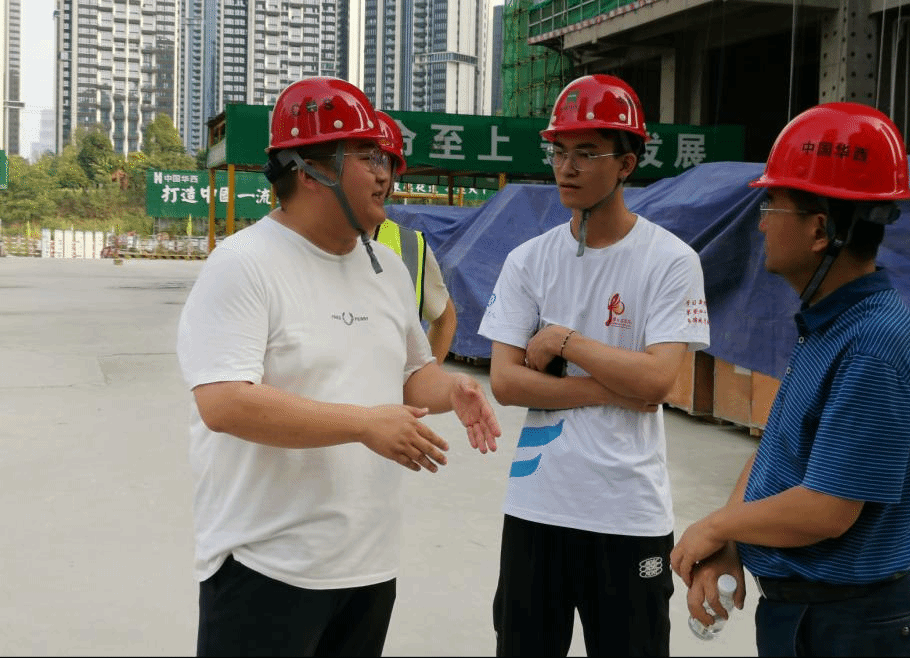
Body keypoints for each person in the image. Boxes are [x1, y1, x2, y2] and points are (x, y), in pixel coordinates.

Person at [176, 76, 501, 657]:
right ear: (309, 170)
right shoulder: (244, 264)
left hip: (368, 567)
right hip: (266, 566)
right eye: (368, 157)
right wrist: (363, 423)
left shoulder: (387, 267)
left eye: (386, 159)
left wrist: (452, 389)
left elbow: (412, 375)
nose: (385, 174)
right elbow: (223, 402)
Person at [669, 102, 910, 657]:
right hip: (809, 614)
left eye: (772, 205)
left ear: (820, 230)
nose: (762, 223)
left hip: (852, 628)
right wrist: (734, 539)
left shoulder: (872, 346)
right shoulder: (830, 324)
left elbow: (827, 509)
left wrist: (716, 527)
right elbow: (777, 453)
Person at [478, 74, 711, 656]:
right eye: (559, 152)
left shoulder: (670, 261)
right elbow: (505, 382)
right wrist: (608, 390)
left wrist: (564, 341)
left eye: (586, 153)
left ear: (627, 163)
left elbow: (659, 379)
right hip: (537, 505)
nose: (567, 167)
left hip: (627, 513)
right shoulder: (528, 261)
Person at [373, 109, 458, 363]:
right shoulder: (307, 241)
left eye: (384, 162)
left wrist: (424, 377)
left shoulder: (411, 246)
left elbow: (445, 319)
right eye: (367, 160)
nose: (378, 175)